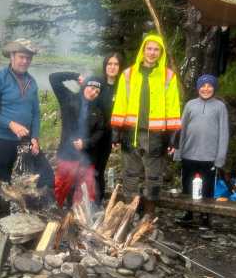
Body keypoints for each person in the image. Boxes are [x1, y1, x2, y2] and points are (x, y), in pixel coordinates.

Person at [0, 39, 53, 217]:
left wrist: (35, 137)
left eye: (28, 58)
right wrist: (10, 124)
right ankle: (3, 217)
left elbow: (35, 113)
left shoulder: (32, 82)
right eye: (21, 57)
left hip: (25, 140)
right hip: (1, 140)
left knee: (45, 175)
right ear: (12, 56)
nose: (25, 61)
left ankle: (35, 211)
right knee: (2, 180)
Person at [111, 34, 181, 216]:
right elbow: (120, 102)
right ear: (143, 50)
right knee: (130, 174)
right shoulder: (128, 74)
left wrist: (173, 137)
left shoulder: (168, 76)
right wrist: (116, 131)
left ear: (161, 52)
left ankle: (149, 215)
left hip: (156, 135)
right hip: (130, 132)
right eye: (148, 48)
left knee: (154, 176)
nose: (152, 52)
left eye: (156, 49)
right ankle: (130, 212)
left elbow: (173, 106)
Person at [172, 74, 229, 225]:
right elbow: (181, 130)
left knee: (208, 187)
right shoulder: (190, 105)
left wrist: (220, 158)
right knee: (187, 184)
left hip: (209, 156)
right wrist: (178, 151)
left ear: (214, 88)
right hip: (189, 154)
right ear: (198, 88)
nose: (206, 89)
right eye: (203, 86)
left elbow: (224, 133)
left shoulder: (220, 107)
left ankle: (205, 215)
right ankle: (188, 212)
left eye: (209, 86)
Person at [49, 72, 107, 207]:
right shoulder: (68, 98)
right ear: (85, 85)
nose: (93, 93)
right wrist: (76, 75)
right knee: (60, 186)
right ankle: (53, 212)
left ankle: (79, 216)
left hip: (87, 157)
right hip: (67, 154)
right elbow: (53, 78)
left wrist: (85, 143)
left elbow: (100, 131)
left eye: (97, 92)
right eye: (92, 88)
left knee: (86, 189)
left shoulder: (98, 111)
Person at [94, 52, 123, 203]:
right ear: (105, 66)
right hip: (93, 134)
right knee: (88, 168)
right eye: (109, 64)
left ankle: (97, 201)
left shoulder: (123, 86)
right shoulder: (97, 83)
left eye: (116, 64)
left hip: (109, 135)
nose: (112, 67)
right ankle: (83, 201)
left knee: (100, 168)